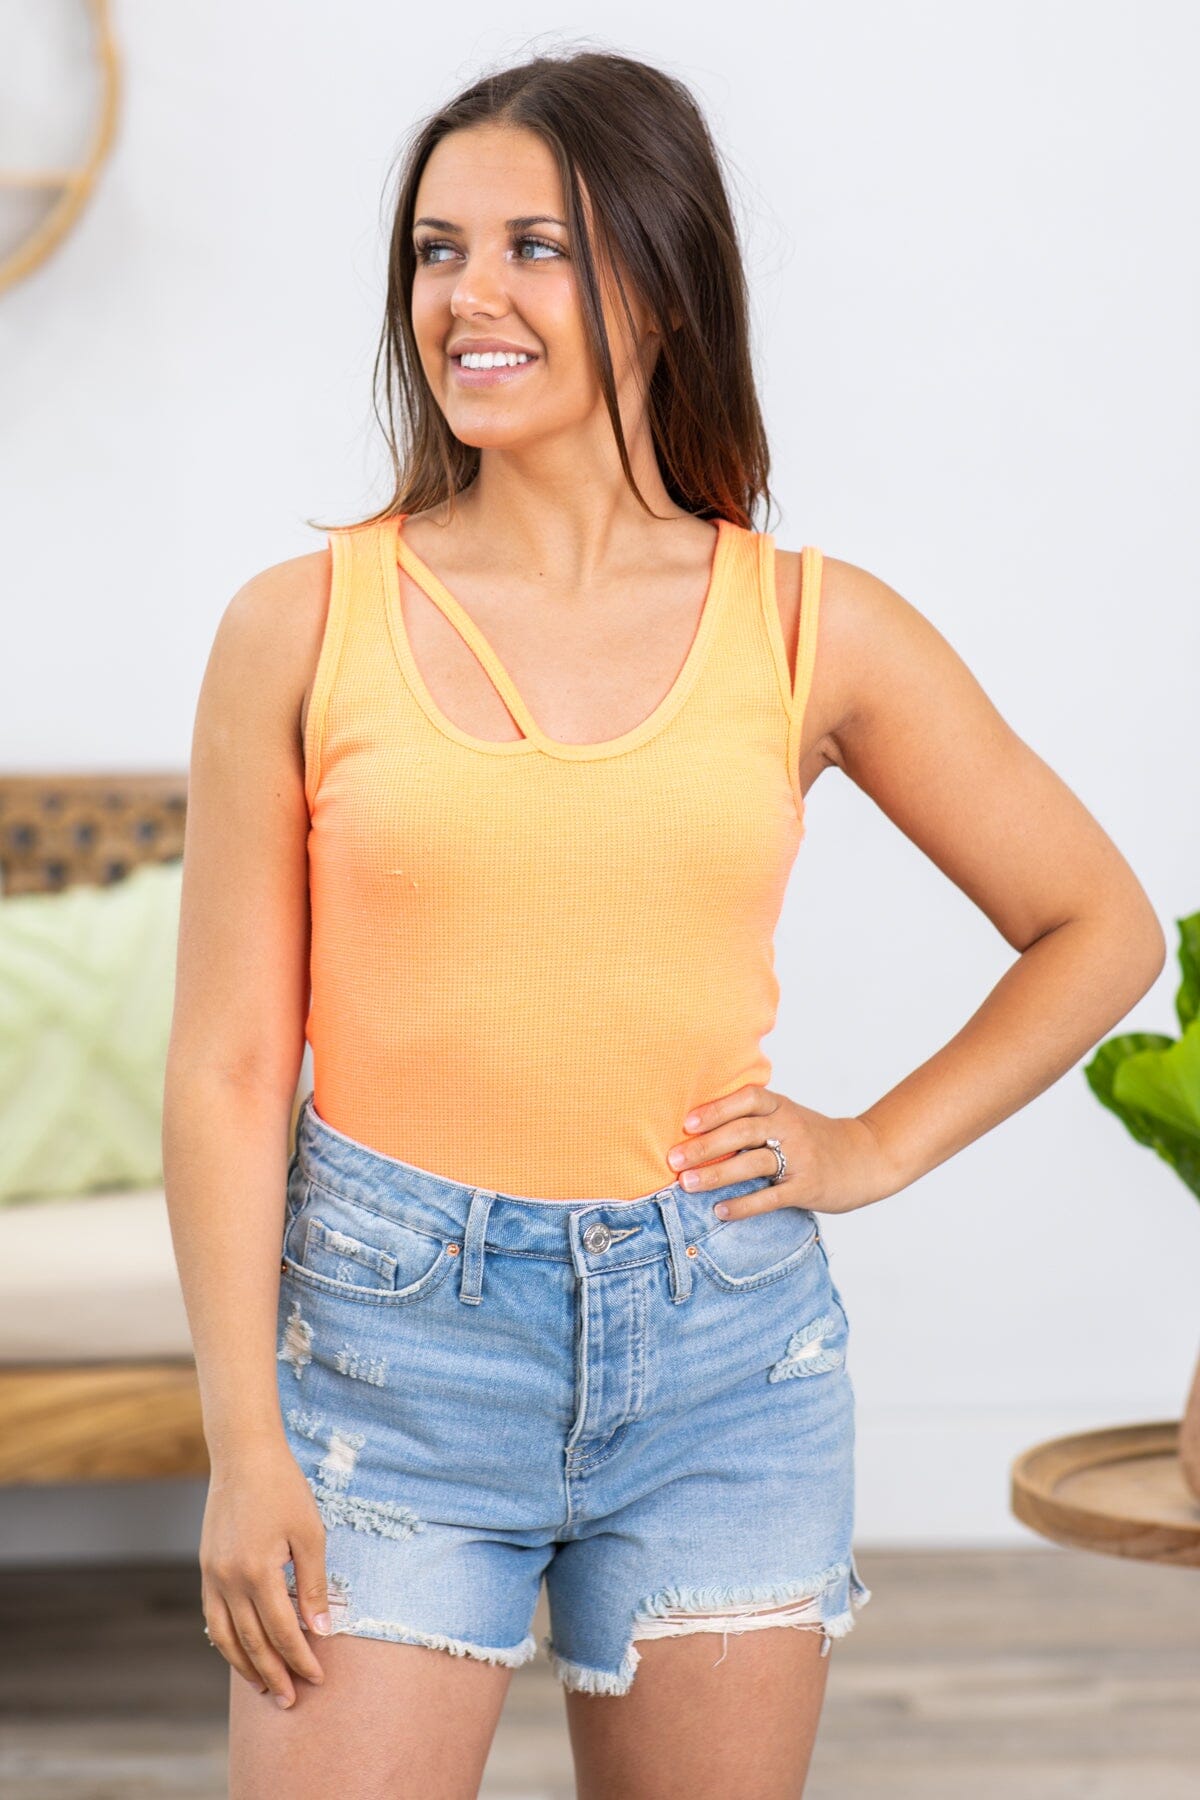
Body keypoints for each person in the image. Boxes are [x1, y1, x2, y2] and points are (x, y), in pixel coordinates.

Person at [162, 46, 1166, 1800]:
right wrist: (245, 1440)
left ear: (663, 272)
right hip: (393, 1358)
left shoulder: (811, 629)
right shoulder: (299, 626)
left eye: (535, 246)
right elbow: (237, 1064)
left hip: (726, 1363)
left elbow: (1097, 923)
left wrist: (870, 1144)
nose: (468, 296)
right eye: (435, 249)